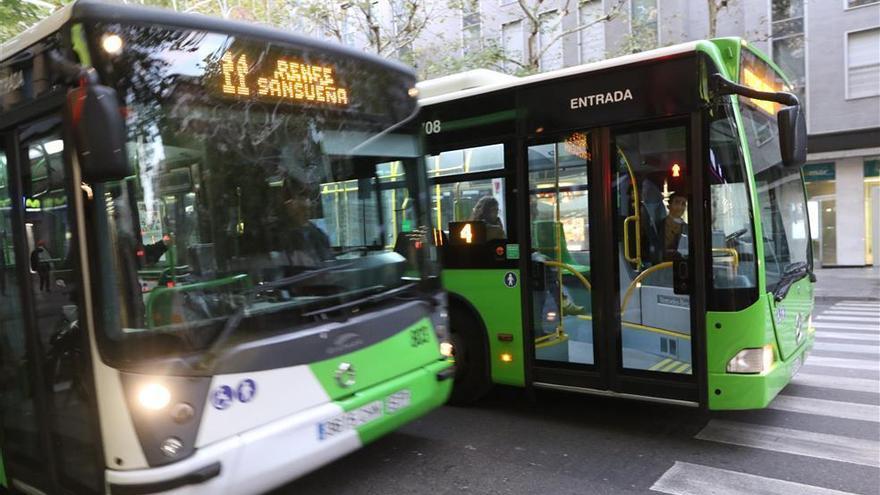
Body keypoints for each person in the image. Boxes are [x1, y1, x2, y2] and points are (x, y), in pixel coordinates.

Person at [278, 176, 333, 268]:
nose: (307, 204)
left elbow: (329, 266)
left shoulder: (318, 234)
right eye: (301, 197)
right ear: (287, 204)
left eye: (307, 197)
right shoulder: (277, 237)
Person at [659, 192, 688, 261]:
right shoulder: (661, 225)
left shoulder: (687, 227)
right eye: (677, 203)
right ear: (668, 206)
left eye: (683, 204)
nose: (680, 207)